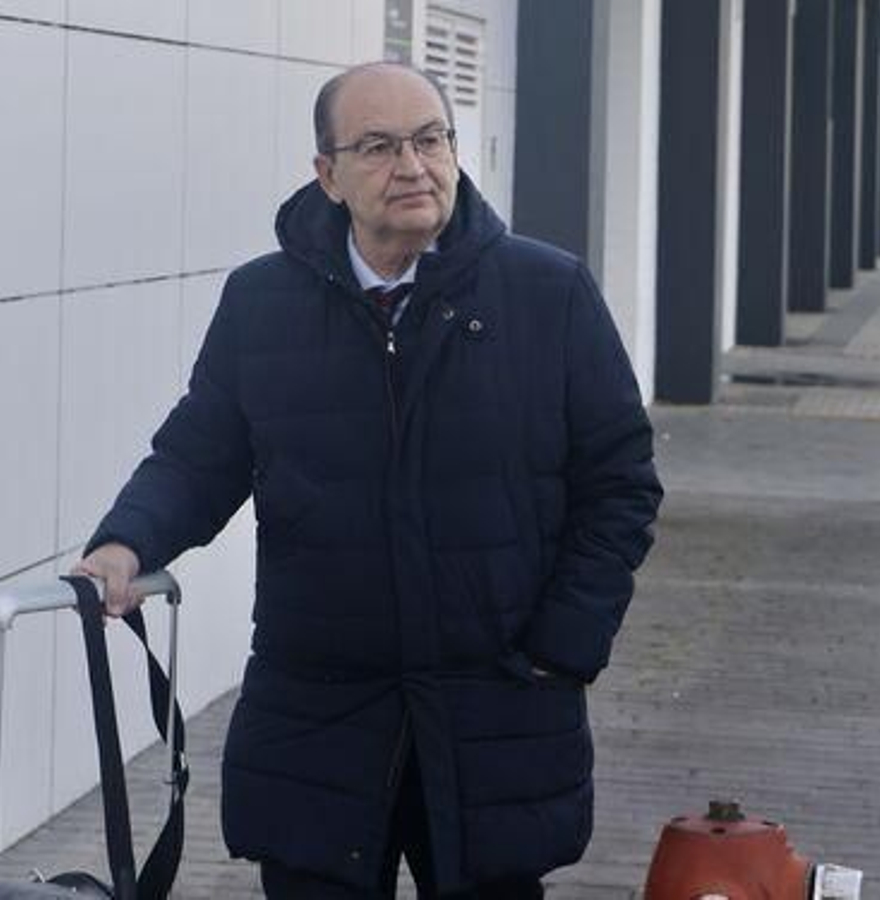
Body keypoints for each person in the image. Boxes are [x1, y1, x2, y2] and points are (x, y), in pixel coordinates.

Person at [74, 62, 662, 898]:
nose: (413, 166)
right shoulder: (261, 303)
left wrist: (566, 641)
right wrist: (125, 545)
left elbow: (621, 484)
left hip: (495, 707)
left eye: (430, 140)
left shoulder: (547, 293)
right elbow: (198, 455)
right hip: (319, 712)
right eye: (379, 147)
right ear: (329, 174)